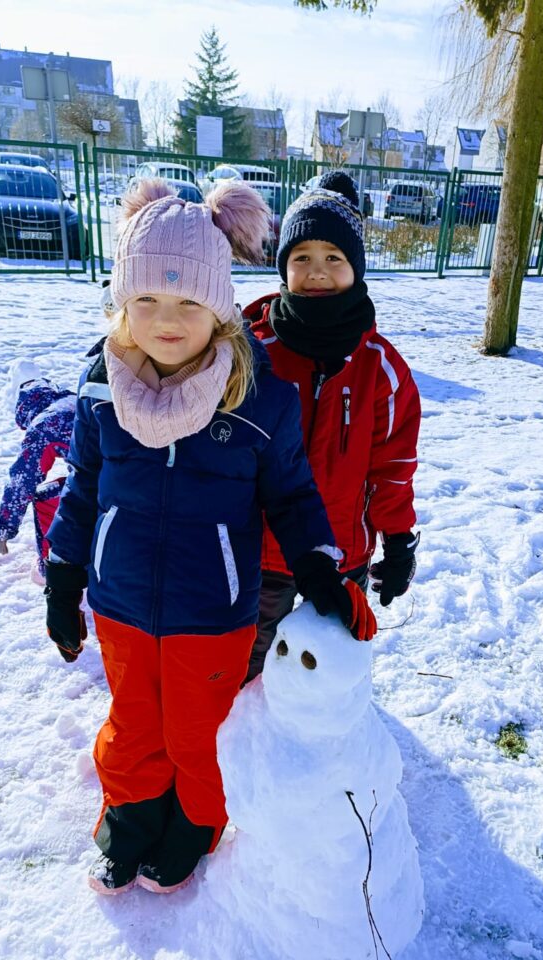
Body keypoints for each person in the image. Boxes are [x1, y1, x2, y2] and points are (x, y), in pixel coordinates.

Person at [44, 178, 376, 897]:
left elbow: (292, 495)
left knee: (199, 731)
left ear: (220, 306)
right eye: (146, 299)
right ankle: (129, 813)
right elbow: (83, 485)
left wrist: (320, 568)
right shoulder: (101, 384)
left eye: (189, 302)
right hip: (123, 603)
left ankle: (197, 820)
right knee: (134, 720)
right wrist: (64, 576)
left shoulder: (258, 397)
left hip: (214, 609)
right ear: (121, 301)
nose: (166, 321)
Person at [243, 171, 421, 682]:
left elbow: (393, 466)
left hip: (345, 553)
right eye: (302, 257)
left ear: (356, 268)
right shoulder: (254, 355)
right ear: (283, 266)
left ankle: (332, 727)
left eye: (333, 258)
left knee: (331, 665)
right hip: (264, 551)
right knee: (252, 663)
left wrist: (399, 540)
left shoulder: (380, 368)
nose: (317, 271)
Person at [0, 361, 76, 583]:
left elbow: (23, 481)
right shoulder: (76, 401)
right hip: (139, 473)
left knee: (46, 498)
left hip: (111, 484)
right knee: (75, 484)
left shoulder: (45, 423)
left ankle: (52, 568)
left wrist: (5, 527)